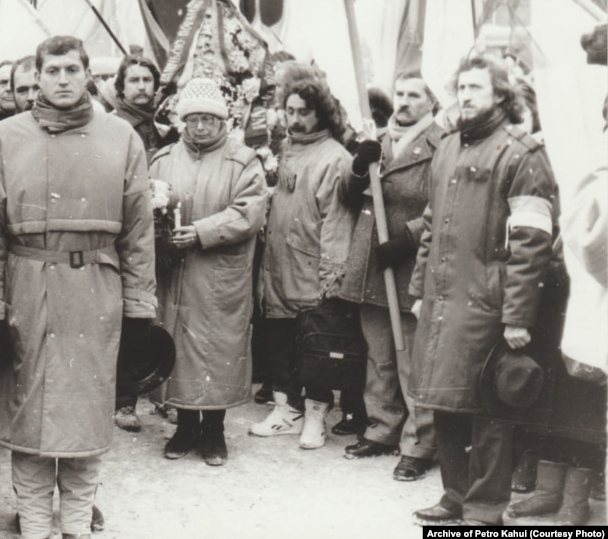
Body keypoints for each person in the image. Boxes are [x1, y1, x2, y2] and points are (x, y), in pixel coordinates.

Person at [0, 35, 156, 539]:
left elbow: (138, 229)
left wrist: (139, 303)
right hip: (27, 288)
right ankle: (35, 530)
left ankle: (76, 529)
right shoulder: (5, 138)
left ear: (87, 75)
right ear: (37, 75)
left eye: (71, 70)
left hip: (95, 293)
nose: (61, 80)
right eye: (52, 70)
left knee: (85, 420)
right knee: (28, 421)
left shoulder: (122, 137)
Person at [410, 53, 557, 526]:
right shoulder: (448, 146)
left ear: (501, 95)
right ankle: (454, 498)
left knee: (490, 411)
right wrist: (418, 289)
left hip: (489, 307)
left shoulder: (523, 154)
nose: (466, 95)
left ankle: (483, 511)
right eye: (463, 87)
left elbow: (532, 244)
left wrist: (517, 315)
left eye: (477, 87)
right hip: (442, 302)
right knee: (446, 403)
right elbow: (431, 226)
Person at [149, 78, 267, 465]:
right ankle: (184, 427)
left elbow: (248, 212)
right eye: (193, 119)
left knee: (218, 348)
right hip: (176, 273)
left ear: (223, 122)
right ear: (183, 121)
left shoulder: (243, 161)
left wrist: (201, 232)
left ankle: (214, 431)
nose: (200, 127)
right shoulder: (164, 159)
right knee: (178, 346)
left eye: (209, 120)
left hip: (218, 275)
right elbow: (147, 203)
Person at [339, 71, 442, 481]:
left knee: (412, 359)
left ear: (431, 102)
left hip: (410, 261)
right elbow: (347, 194)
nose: (403, 101)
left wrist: (409, 236)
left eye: (414, 95)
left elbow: (445, 203)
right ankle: (381, 427)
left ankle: (420, 442)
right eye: (399, 93)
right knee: (379, 353)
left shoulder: (441, 144)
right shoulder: (377, 141)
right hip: (374, 263)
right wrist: (359, 166)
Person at [249, 77, 354, 451]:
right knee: (279, 340)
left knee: (315, 348)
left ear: (321, 113)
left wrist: (331, 280)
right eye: (289, 111)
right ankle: (287, 411)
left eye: (303, 112)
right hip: (279, 264)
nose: (295, 119)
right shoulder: (287, 150)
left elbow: (338, 224)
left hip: (311, 269)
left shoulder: (334, 158)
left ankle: (315, 416)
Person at [109, 51, 162, 432]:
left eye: (148, 80)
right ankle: (123, 400)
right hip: (125, 232)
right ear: (121, 87)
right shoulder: (112, 127)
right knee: (127, 315)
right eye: (134, 81)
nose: (142, 87)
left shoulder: (164, 127)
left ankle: (161, 395)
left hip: (161, 233)